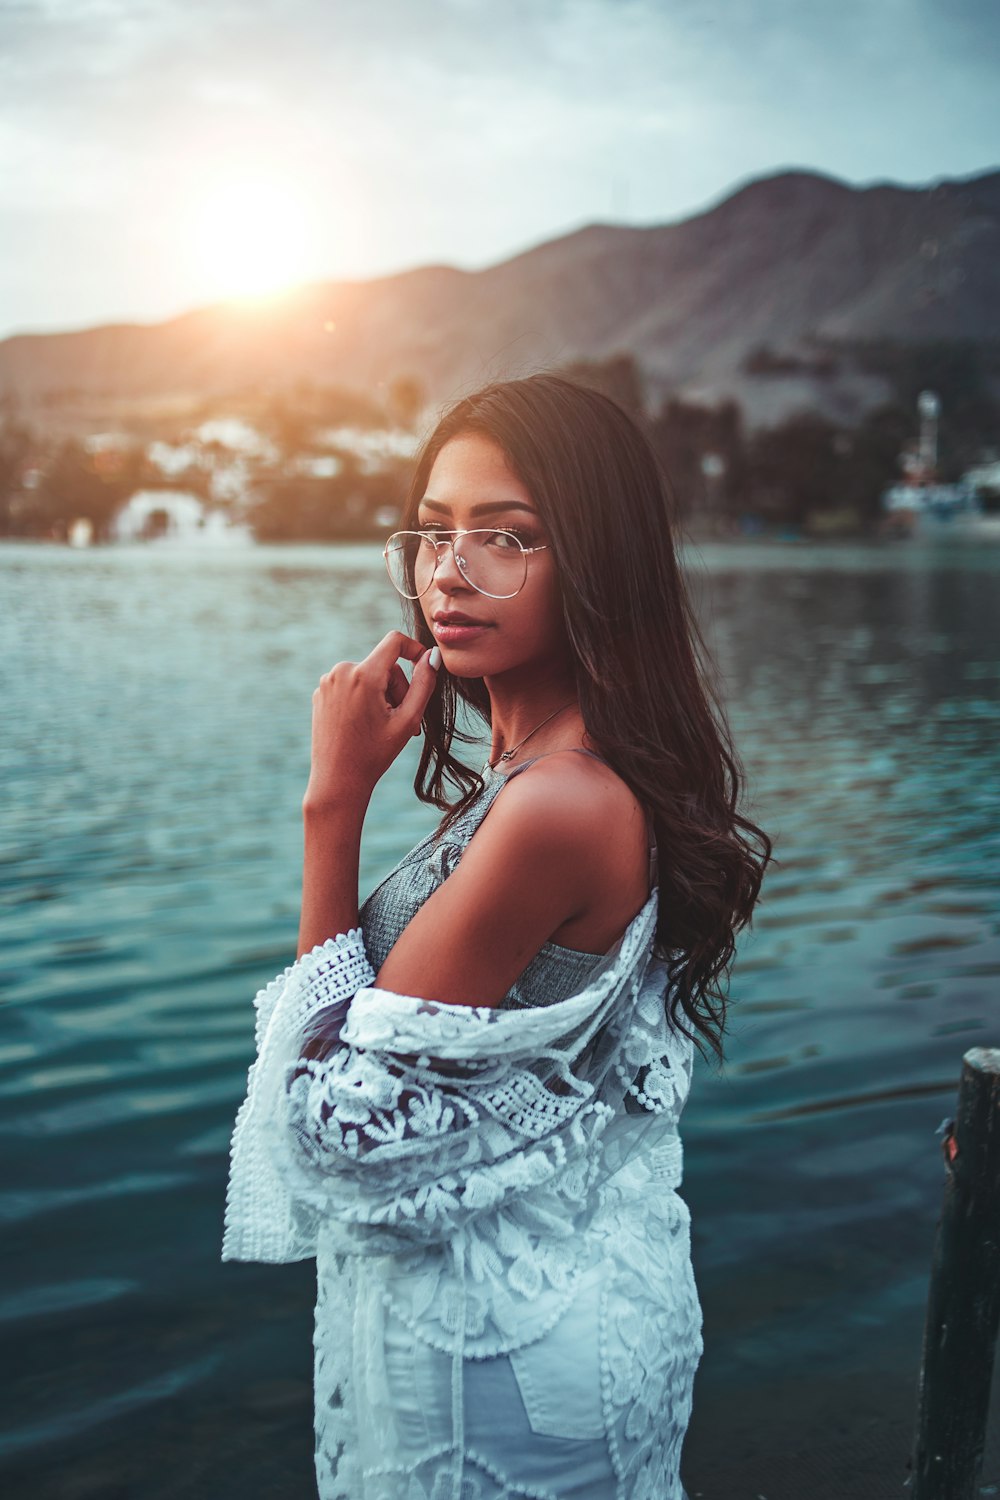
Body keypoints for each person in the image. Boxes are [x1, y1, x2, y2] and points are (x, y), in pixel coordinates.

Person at [222, 373, 772, 1500]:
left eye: (506, 537)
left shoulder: (556, 803)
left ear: (596, 560)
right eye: (432, 532)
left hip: (506, 1364)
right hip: (539, 1314)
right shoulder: (533, 774)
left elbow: (333, 1130)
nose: (449, 572)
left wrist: (331, 810)